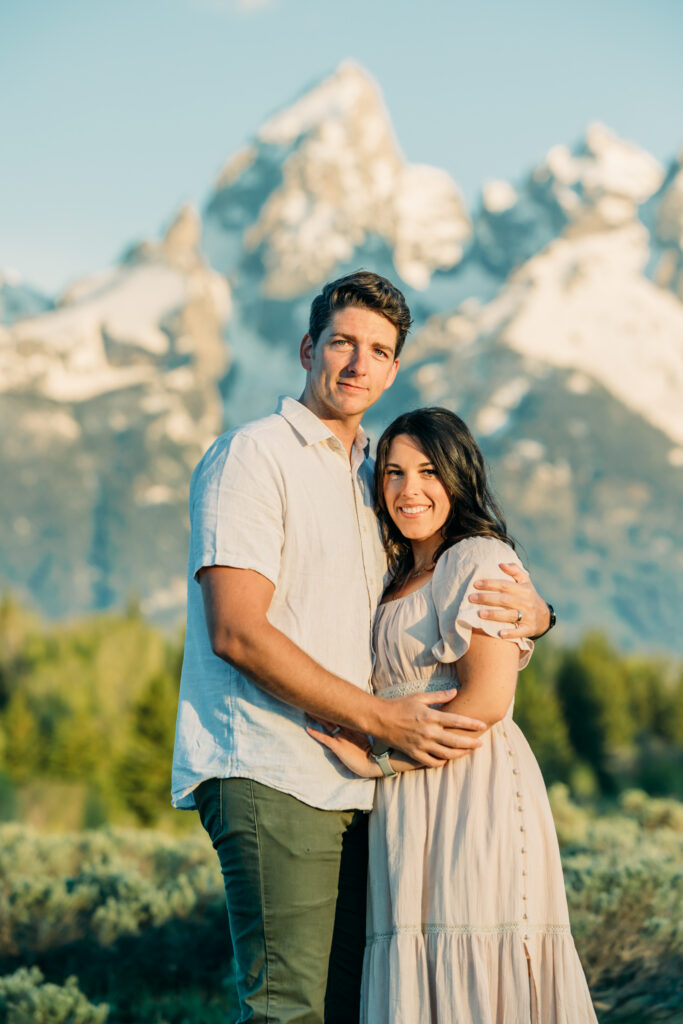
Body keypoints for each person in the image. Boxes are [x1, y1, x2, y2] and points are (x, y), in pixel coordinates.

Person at [171, 272, 553, 1024]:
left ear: (393, 369)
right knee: (290, 1011)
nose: (356, 364)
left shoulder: (373, 475)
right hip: (273, 765)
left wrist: (536, 616)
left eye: (377, 350)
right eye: (342, 342)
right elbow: (237, 631)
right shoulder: (254, 456)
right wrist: (382, 724)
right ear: (309, 347)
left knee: (361, 1006)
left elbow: (441, 581)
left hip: (365, 787)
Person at [310, 407, 597, 1024]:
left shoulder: (476, 558)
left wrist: (380, 758)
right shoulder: (397, 571)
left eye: (427, 471)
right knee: (419, 962)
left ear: (459, 476)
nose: (408, 490)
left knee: (473, 948)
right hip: (412, 801)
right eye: (392, 472)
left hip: (471, 786)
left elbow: (487, 701)